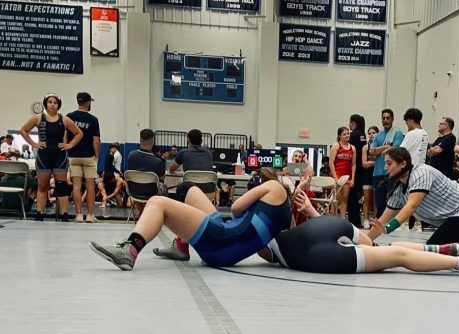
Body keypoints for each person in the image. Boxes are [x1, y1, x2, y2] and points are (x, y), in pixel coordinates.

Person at [258, 192, 459, 274]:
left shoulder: (261, 238)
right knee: (384, 249)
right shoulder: (282, 222)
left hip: (319, 252)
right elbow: (297, 227)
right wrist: (309, 209)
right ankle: (441, 250)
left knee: (397, 256)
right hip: (326, 226)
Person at [89, 179, 292, 270]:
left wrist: (252, 202)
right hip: (228, 245)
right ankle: (181, 246)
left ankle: (130, 249)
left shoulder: (273, 186)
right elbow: (265, 253)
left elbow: (236, 208)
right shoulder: (283, 216)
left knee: (157, 202)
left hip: (222, 240)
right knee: (190, 190)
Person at [20, 93, 83, 221]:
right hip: (44, 156)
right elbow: (23, 130)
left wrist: (70, 145)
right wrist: (33, 144)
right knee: (42, 186)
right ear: (46, 104)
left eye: (55, 102)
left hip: (59, 156)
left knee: (61, 186)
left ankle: (64, 214)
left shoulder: (64, 119)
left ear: (58, 105)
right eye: (50, 102)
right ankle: (39, 213)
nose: (52, 104)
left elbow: (79, 133)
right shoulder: (38, 118)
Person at [66, 92, 101, 223]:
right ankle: (90, 215)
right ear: (88, 103)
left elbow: (64, 135)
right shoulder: (93, 119)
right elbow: (96, 140)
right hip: (88, 156)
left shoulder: (69, 117)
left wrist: (67, 149)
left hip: (73, 155)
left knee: (76, 185)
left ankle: (79, 215)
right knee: (90, 186)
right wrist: (96, 156)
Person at [369, 109, 404, 217]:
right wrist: (387, 146)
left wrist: (381, 149)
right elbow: (371, 151)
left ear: (392, 119)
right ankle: (380, 222)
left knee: (392, 199)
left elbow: (395, 149)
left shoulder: (397, 132)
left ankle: (391, 222)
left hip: (391, 172)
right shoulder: (378, 135)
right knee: (379, 200)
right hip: (378, 172)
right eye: (383, 118)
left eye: (388, 118)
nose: (385, 120)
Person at [329, 127, 355, 219]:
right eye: (344, 134)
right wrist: (336, 178)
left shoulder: (352, 148)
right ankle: (332, 218)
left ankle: (343, 218)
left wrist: (353, 179)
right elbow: (331, 163)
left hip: (347, 177)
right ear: (340, 136)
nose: (347, 135)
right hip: (337, 175)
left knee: (344, 198)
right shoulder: (336, 146)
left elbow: (353, 164)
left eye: (348, 133)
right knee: (335, 198)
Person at [347, 114, 367, 227]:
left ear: (353, 123)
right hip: (362, 170)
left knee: (351, 196)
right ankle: (357, 220)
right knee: (356, 195)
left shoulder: (353, 135)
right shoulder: (363, 135)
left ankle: (354, 220)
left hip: (353, 168)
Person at [361, 126, 378, 228]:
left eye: (374, 132)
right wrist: (374, 163)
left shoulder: (379, 146)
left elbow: (382, 162)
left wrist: (371, 163)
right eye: (370, 133)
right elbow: (364, 164)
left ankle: (376, 220)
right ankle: (366, 220)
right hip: (367, 175)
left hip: (377, 174)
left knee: (376, 199)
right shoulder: (365, 147)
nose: (371, 135)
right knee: (366, 198)